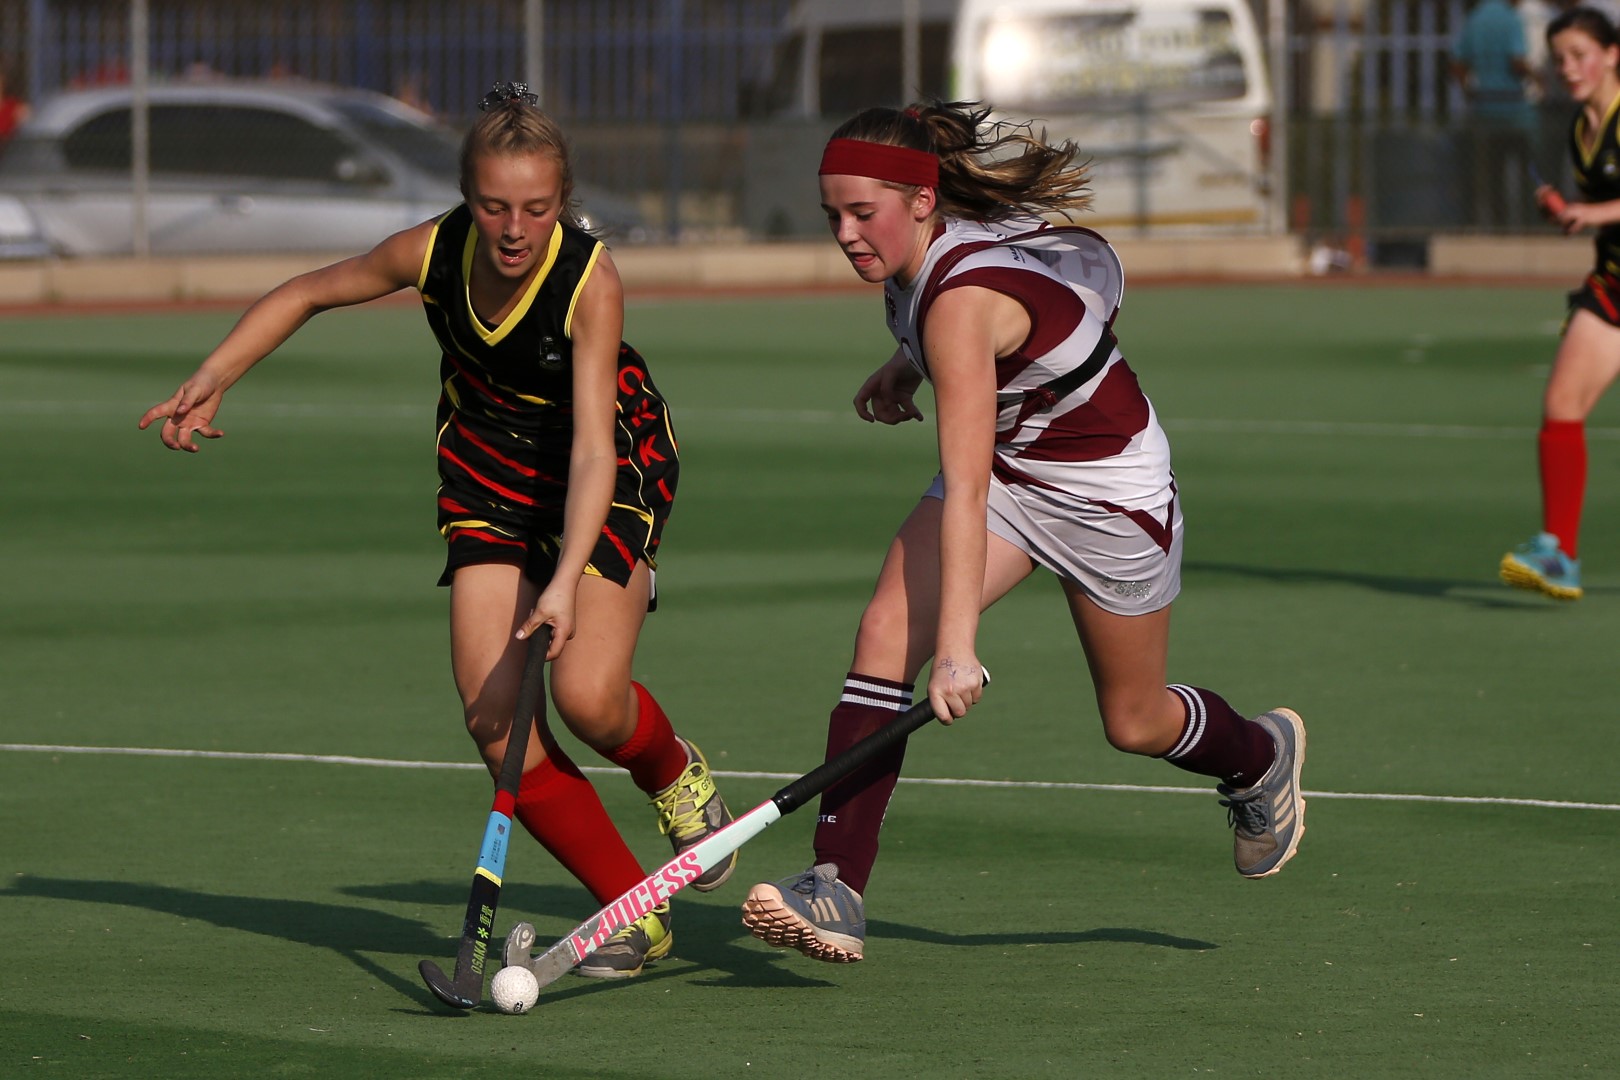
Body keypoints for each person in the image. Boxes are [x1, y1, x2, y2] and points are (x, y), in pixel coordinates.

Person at [138, 81, 735, 979]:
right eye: (493, 206)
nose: (514, 229)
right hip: (489, 472)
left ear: (562, 200)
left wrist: (564, 582)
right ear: (466, 197)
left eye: (537, 208)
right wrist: (214, 374)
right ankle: (632, 909)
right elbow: (308, 292)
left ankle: (674, 774)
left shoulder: (589, 280)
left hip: (604, 464)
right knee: (493, 717)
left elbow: (589, 452)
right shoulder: (432, 250)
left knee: (586, 696)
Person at [739, 101, 1307, 965]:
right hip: (1016, 465)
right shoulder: (920, 258)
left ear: (922, 200)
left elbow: (965, 480)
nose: (847, 234)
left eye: (862, 213)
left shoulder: (957, 304)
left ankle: (1259, 753)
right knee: (886, 631)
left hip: (1108, 494)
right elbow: (1006, 321)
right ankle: (836, 884)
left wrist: (958, 650)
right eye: (833, 216)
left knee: (1135, 721)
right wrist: (907, 363)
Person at [1501, 7, 1620, 600]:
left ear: (1613, 54)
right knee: (1561, 404)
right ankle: (1559, 554)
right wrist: (1569, 211)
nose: (1568, 68)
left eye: (1580, 55)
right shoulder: (1581, 128)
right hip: (1613, 287)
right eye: (1559, 59)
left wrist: (1590, 211)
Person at [1452, 0, 1540, 227]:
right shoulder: (1511, 19)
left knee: (1493, 172)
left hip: (1485, 107)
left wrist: (1469, 91)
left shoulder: (1474, 18)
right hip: (1514, 109)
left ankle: (1497, 223)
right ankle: (1529, 221)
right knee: (1527, 170)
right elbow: (1516, 60)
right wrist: (1537, 77)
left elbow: (1458, 63)